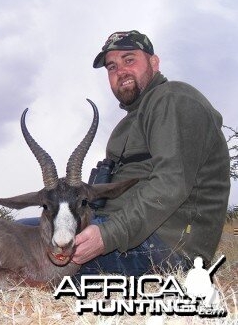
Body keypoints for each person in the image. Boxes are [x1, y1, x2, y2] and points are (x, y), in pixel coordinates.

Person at [72, 30, 230, 276]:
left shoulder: (173, 98)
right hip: (120, 232)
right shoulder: (126, 125)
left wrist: (106, 236)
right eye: (112, 67)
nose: (120, 71)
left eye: (129, 60)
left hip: (166, 247)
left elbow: (170, 185)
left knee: (17, 251)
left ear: (154, 63)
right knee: (15, 233)